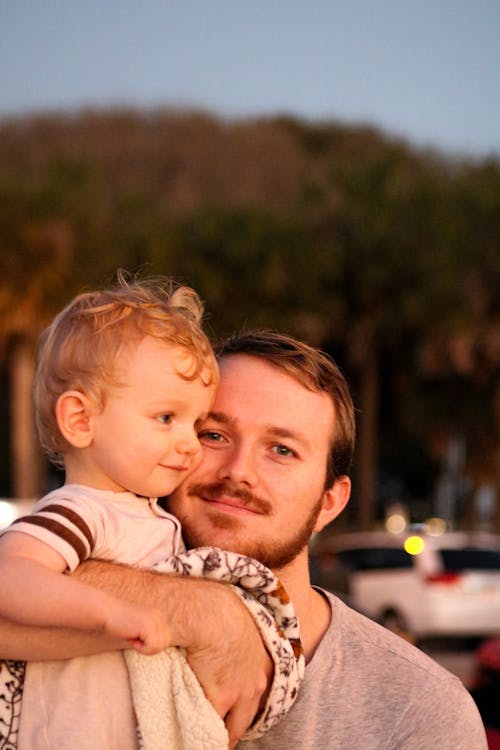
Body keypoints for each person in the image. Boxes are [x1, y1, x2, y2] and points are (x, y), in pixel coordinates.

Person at [0, 330, 487, 749]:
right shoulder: (81, 536)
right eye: (212, 435)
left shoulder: (420, 710)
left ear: (330, 502)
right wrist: (200, 612)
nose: (238, 472)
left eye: (281, 450)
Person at [0, 273, 221, 747]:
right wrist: (107, 613)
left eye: (198, 423)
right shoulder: (81, 510)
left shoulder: (142, 512)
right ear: (81, 420)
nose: (190, 444)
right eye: (166, 418)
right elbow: (10, 574)